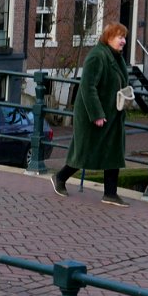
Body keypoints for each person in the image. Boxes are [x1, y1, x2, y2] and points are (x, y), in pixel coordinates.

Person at [50, 22, 131, 207]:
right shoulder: (97, 56)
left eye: (124, 37)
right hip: (94, 115)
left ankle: (110, 193)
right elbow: (88, 87)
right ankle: (60, 177)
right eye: (120, 37)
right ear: (109, 37)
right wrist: (96, 114)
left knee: (113, 150)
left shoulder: (115, 56)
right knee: (85, 150)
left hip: (113, 113)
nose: (124, 41)